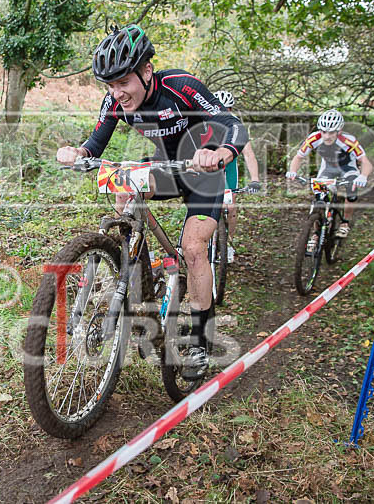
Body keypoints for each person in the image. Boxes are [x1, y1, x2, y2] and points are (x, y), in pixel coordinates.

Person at [56, 25, 249, 380]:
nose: (117, 93)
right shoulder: (115, 100)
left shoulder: (181, 87)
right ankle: (128, 263)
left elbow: (232, 123)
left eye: (124, 82)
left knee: (192, 248)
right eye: (110, 85)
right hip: (165, 167)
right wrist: (79, 152)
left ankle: (199, 342)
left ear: (147, 71)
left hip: (203, 170)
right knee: (123, 186)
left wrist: (221, 152)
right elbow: (96, 142)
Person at [286, 109, 372, 248]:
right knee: (319, 199)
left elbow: (365, 162)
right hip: (328, 170)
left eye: (331, 132)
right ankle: (315, 233)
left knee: (351, 191)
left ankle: (345, 223)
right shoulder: (314, 138)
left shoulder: (349, 141)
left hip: (347, 169)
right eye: (323, 131)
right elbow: (299, 157)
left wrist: (363, 176)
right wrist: (292, 171)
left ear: (339, 130)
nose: (326, 136)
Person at [214, 90, 261, 261]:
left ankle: (228, 243)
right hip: (208, 169)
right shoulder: (202, 121)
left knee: (230, 206)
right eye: (219, 109)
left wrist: (254, 179)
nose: (222, 113)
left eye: (226, 109)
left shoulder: (236, 126)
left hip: (228, 169)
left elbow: (248, 153)